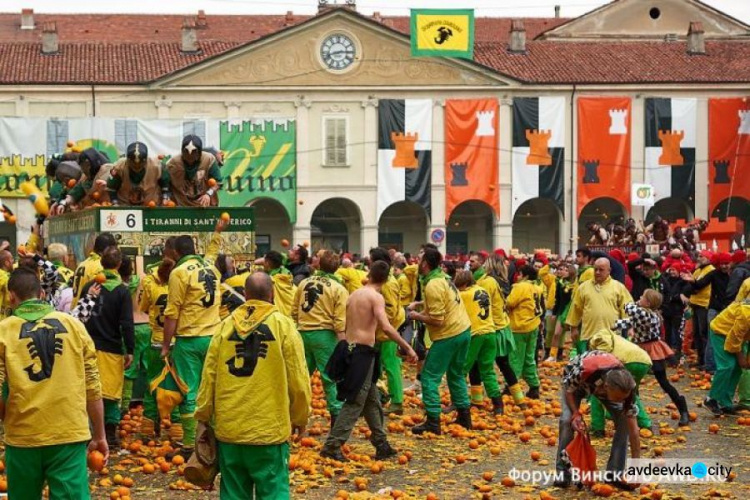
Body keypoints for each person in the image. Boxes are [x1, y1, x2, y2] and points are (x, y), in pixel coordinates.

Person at [196, 272, 311, 499]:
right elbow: (298, 379)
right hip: (269, 428)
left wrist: (203, 416)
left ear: (246, 295)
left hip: (230, 429)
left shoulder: (224, 326)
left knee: (233, 492)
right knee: (273, 490)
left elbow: (208, 376)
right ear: (273, 294)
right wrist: (300, 416)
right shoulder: (283, 326)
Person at [0, 269, 108, 499]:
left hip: (23, 435)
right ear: (41, 293)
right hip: (68, 433)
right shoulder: (74, 326)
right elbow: (93, 387)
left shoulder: (3, 331)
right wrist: (99, 435)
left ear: (11, 296)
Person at [320, 261, 417, 461]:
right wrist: (407, 346)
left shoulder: (355, 294)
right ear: (387, 278)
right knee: (355, 401)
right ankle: (332, 445)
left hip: (352, 349)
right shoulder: (376, 297)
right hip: (362, 354)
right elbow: (386, 327)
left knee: (372, 400)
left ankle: (381, 444)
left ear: (369, 275)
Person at [162, 235, 222, 459]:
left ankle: (190, 446)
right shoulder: (210, 268)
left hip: (189, 340)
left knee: (188, 392)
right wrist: (217, 232)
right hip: (214, 338)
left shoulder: (179, 273)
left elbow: (172, 312)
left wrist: (166, 346)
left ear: (176, 252)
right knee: (212, 392)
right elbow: (212, 253)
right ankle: (216, 441)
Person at [408, 247, 472, 434]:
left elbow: (438, 320)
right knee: (456, 374)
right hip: (463, 330)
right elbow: (445, 301)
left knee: (429, 377)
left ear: (425, 264)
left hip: (448, 335)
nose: (416, 262)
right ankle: (464, 417)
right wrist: (420, 305)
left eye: (418, 259)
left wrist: (414, 316)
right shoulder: (442, 277)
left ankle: (433, 422)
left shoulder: (433, 284)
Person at [555, 351, 640, 489]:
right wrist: (575, 414)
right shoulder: (584, 370)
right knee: (566, 421)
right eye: (618, 398)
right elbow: (569, 390)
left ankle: (614, 474)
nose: (621, 401)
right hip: (575, 384)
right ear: (606, 388)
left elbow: (634, 432)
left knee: (624, 420)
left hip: (600, 385)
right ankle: (562, 473)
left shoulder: (626, 389)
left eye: (624, 398)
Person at [80, 247, 135, 449]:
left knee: (89, 392)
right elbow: (127, 323)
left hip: (88, 347)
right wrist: (130, 349)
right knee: (111, 394)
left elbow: (80, 315)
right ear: (119, 265)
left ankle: (88, 433)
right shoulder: (121, 291)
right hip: (111, 347)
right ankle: (110, 436)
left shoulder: (89, 286)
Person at [614, 290, 690, 426]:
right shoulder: (643, 314)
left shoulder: (647, 315)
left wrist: (633, 302)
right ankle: (634, 412)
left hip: (652, 349)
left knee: (663, 382)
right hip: (638, 349)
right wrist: (610, 324)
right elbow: (626, 322)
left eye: (642, 297)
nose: (639, 297)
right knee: (632, 383)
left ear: (648, 303)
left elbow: (627, 307)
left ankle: (683, 410)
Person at [292, 250, 348, 426]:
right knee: (330, 378)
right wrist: (344, 346)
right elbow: (340, 321)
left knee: (299, 377)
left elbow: (294, 311)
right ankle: (336, 420)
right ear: (337, 268)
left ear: (318, 264)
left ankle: (292, 416)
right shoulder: (339, 288)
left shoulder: (304, 283)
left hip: (302, 334)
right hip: (325, 336)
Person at [138, 258, 182, 441]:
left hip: (156, 342)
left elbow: (143, 308)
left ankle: (149, 429)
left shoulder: (150, 285)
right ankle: (178, 432)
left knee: (152, 384)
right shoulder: (180, 287)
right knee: (179, 386)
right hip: (177, 343)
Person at [471, 253, 524, 406]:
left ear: (490, 265)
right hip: (502, 326)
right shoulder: (503, 280)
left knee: (477, 364)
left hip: (491, 327)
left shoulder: (488, 282)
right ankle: (519, 399)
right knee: (504, 365)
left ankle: (478, 400)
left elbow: (479, 302)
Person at [454, 270, 504, 414]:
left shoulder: (463, 295)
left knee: (460, 370)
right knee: (487, 370)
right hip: (490, 332)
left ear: (463, 284)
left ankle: (459, 403)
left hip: (475, 334)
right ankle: (498, 405)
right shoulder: (482, 290)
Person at [588, 329, 653, 435]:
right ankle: (645, 423)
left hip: (625, 362)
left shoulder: (598, 336)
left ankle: (598, 427)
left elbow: (603, 352)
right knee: (630, 393)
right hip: (644, 361)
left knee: (597, 392)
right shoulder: (616, 337)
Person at [566, 258, 632, 355]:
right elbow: (576, 308)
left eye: (601, 270)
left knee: (609, 365)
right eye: (595, 269)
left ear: (609, 271)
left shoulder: (618, 287)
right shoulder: (583, 287)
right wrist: (574, 328)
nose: (597, 272)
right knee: (589, 365)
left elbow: (627, 308)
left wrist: (630, 328)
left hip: (612, 337)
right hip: (588, 336)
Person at [685, 252, 732, 373]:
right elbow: (701, 284)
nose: (724, 266)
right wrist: (692, 281)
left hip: (727, 309)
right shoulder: (713, 273)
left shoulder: (732, 275)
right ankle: (710, 365)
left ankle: (715, 363)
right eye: (722, 264)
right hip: (714, 308)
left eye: (727, 264)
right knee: (711, 336)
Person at [703, 299, 750, 415]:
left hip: (739, 336)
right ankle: (711, 399)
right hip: (721, 332)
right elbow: (734, 338)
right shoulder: (746, 313)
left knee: (738, 369)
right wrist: (741, 358)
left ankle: (725, 402)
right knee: (727, 365)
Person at [506, 265, 543, 399]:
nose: (518, 277)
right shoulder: (537, 288)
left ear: (525, 276)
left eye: (520, 274)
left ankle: (511, 386)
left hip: (519, 327)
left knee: (515, 359)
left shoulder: (520, 287)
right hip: (533, 326)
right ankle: (534, 386)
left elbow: (509, 303)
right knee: (529, 358)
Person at [165, 135, 222, 207]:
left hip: (205, 206)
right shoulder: (172, 164)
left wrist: (208, 194)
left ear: (199, 153)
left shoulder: (209, 160)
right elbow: (165, 184)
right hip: (181, 207)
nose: (190, 158)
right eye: (186, 155)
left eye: (193, 155)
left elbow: (218, 182)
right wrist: (166, 197)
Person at [108, 141, 170, 206]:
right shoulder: (119, 167)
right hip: (125, 206)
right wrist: (115, 203)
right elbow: (111, 189)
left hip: (150, 207)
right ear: (128, 160)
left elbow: (166, 186)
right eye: (133, 165)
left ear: (146, 160)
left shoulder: (158, 167)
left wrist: (165, 197)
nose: (137, 167)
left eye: (140, 165)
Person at [54, 148, 113, 212]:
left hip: (111, 211)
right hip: (94, 211)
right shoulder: (85, 178)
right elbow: (75, 193)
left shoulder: (108, 170)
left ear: (88, 164)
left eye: (82, 167)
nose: (82, 170)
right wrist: (63, 203)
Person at [71, 232, 117, 308]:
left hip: (75, 310)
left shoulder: (83, 263)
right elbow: (99, 295)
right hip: (86, 312)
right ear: (107, 249)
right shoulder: (100, 266)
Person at [688, 250, 715, 370]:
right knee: (697, 334)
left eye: (702, 256)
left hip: (704, 304)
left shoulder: (710, 269)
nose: (699, 258)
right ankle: (700, 359)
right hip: (695, 303)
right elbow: (691, 285)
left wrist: (692, 285)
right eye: (699, 256)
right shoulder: (698, 270)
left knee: (703, 333)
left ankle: (705, 361)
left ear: (709, 258)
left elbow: (699, 284)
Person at [546, 263, 576, 361]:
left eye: (567, 270)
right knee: (556, 334)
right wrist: (555, 313)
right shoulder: (560, 283)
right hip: (562, 312)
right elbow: (557, 299)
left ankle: (574, 355)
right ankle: (552, 355)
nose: (563, 271)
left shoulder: (577, 284)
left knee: (574, 335)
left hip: (574, 312)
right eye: (563, 269)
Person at [661, 263, 690, 363]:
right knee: (667, 332)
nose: (672, 272)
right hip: (667, 310)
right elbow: (666, 293)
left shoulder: (682, 282)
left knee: (678, 332)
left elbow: (684, 296)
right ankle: (668, 353)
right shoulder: (666, 280)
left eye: (674, 270)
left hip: (677, 310)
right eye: (671, 270)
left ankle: (678, 352)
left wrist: (674, 297)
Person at [263, 250, 296, 317]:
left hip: (280, 316)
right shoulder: (287, 274)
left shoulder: (270, 281)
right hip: (293, 315)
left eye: (264, 261)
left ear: (267, 263)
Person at [0, 249, 13, 319]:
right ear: (6, 263)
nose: (13, 261)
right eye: (11, 259)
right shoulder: (4, 277)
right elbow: (10, 298)